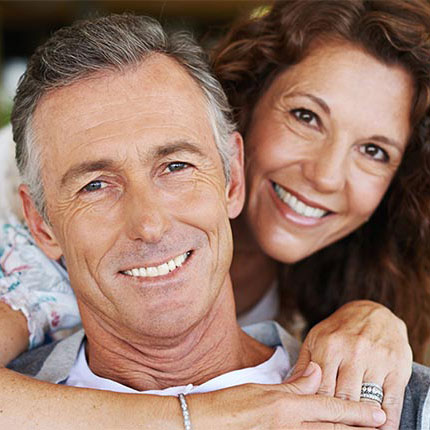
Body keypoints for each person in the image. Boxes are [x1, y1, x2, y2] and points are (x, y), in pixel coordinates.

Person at [0, 0, 429, 428]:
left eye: (176, 166)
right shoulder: (28, 277)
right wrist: (194, 417)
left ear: (232, 177)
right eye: (94, 185)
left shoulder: (392, 391)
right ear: (40, 223)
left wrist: (374, 317)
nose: (149, 225)